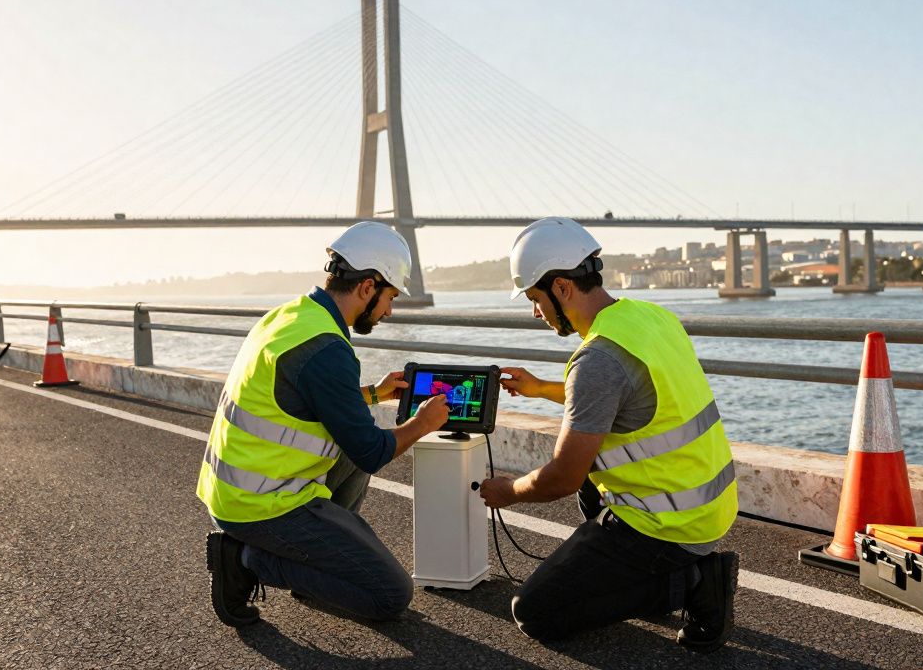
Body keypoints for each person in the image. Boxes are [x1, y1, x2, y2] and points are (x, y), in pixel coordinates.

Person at [479, 217, 739, 652]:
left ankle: (692, 582)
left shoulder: (597, 360)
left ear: (561, 287)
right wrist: (541, 388)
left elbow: (562, 475)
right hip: (709, 505)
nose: (535, 312)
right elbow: (627, 398)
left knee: (535, 612)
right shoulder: (649, 317)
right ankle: (650, 571)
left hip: (668, 524)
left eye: (535, 298)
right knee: (590, 478)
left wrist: (508, 490)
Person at [198, 221, 450, 627]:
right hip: (259, 507)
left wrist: (372, 393)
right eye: (390, 297)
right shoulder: (326, 349)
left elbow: (300, 400)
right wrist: (424, 422)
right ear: (368, 287)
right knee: (390, 596)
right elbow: (373, 452)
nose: (389, 310)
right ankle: (245, 560)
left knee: (351, 443)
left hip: (233, 490)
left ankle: (315, 569)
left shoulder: (292, 316)